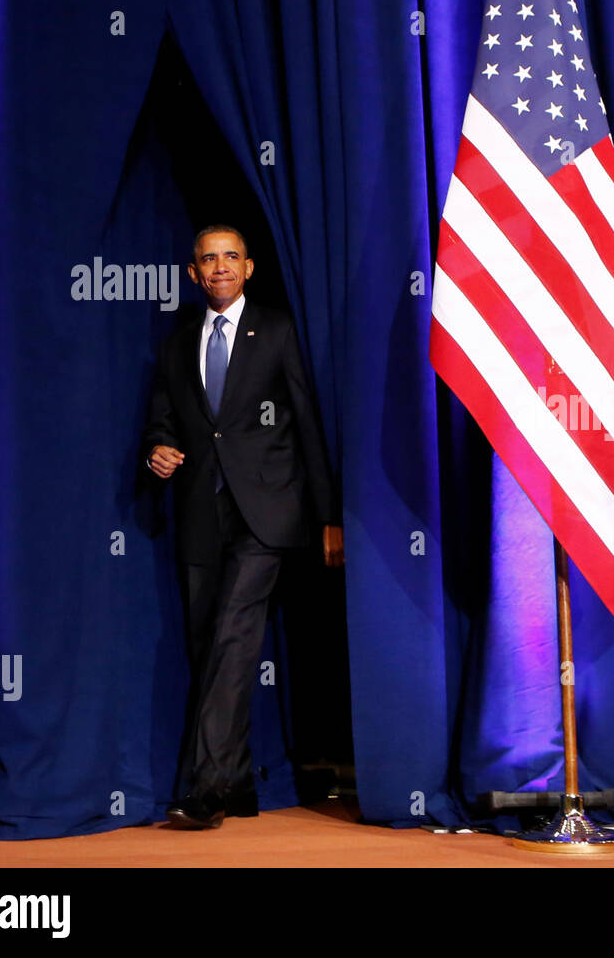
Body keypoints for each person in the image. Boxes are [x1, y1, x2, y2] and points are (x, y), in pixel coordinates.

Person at [141, 225, 343, 830]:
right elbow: (162, 420)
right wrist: (159, 449)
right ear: (194, 273)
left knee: (232, 638)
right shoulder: (178, 343)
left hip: (268, 515)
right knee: (211, 648)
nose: (220, 266)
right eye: (209, 258)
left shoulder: (277, 329)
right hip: (203, 516)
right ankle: (238, 782)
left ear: (249, 268)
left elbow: (306, 421)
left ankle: (205, 792)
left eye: (231, 256)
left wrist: (328, 515)